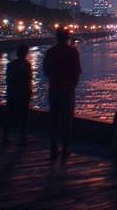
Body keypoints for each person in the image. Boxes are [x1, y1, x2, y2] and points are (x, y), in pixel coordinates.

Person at [43, 27, 82, 161]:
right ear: (68, 38)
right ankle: (65, 148)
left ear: (56, 37)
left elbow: (46, 69)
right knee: (67, 121)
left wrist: (53, 79)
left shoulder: (50, 52)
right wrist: (73, 85)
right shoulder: (73, 51)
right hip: (67, 89)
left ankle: (53, 146)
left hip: (54, 88)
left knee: (54, 119)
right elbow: (77, 71)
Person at [2, 43, 33, 146]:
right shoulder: (26, 65)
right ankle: (23, 138)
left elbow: (7, 79)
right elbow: (29, 78)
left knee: (9, 116)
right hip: (23, 93)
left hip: (12, 93)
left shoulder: (10, 65)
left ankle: (5, 138)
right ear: (25, 53)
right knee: (24, 117)